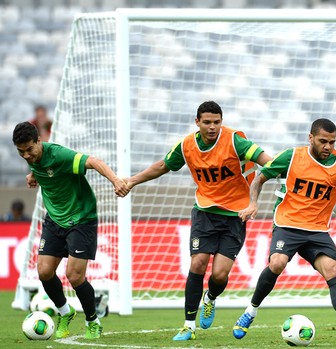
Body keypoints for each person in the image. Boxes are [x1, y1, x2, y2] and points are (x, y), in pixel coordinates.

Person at [124, 101, 272, 341]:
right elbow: (163, 166)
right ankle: (188, 326)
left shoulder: (235, 141)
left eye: (216, 122)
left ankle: (210, 298)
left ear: (221, 122)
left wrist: (281, 178)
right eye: (207, 122)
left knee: (220, 276)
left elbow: (267, 160)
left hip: (235, 215)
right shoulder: (187, 146)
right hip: (205, 212)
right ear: (197, 122)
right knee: (197, 264)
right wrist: (132, 181)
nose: (212, 127)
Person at [232, 118, 336, 345]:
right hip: (287, 224)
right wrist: (253, 203)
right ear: (310, 138)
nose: (328, 147)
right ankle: (250, 311)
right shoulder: (291, 157)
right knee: (277, 263)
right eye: (323, 141)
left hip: (317, 230)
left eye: (332, 142)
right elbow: (259, 179)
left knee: (333, 269)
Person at [12, 121, 129, 339]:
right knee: (44, 272)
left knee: (74, 277)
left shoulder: (59, 155)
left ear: (39, 141)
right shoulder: (33, 159)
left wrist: (115, 180)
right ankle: (65, 312)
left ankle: (93, 321)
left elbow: (93, 161)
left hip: (81, 219)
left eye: (29, 149)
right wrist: (33, 175)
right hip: (55, 220)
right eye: (21, 152)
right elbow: (45, 171)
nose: (26, 155)